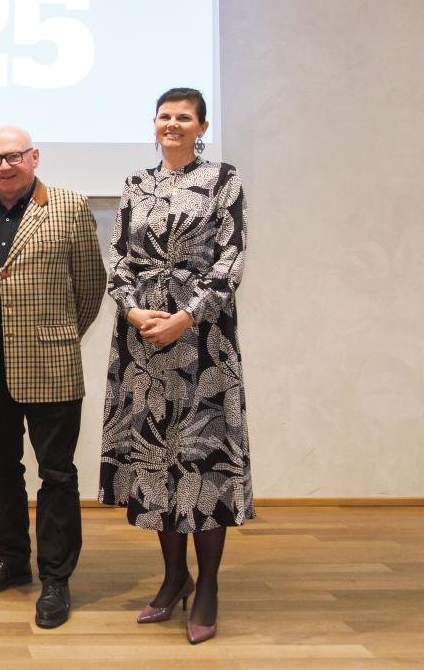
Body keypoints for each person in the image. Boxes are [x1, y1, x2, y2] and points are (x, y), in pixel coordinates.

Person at [99, 87, 253, 645]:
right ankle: (173, 578)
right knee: (158, 463)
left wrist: (184, 317)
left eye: (183, 117)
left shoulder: (223, 179)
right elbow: (117, 257)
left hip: (202, 346)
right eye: (164, 116)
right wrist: (138, 312)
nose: (172, 124)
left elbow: (230, 259)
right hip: (143, 345)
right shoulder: (136, 184)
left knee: (204, 465)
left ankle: (207, 585)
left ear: (202, 126)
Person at [0, 126, 105, 628]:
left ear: (34, 157)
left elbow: (90, 285)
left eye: (14, 156)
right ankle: (13, 561)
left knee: (56, 474)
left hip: (50, 363)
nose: (4, 165)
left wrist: (58, 334)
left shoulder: (69, 206)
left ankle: (56, 578)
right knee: (0, 469)